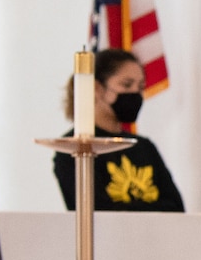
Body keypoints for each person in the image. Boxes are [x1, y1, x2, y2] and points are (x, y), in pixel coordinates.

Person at [52, 47, 184, 212]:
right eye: (126, 85)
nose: (135, 93)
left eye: (140, 87)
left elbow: (175, 208)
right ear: (97, 89)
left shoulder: (143, 147)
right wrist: (150, 209)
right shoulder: (73, 148)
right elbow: (98, 212)